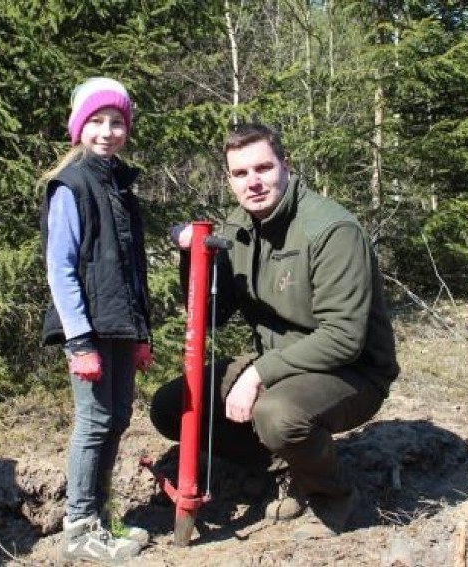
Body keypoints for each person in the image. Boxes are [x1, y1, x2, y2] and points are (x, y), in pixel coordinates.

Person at [150, 123, 400, 540]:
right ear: (229, 180)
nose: (254, 182)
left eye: (263, 168)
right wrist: (190, 256)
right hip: (280, 363)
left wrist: (257, 375)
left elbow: (344, 337)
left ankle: (331, 496)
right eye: (241, 173)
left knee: (278, 416)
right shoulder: (236, 228)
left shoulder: (330, 230)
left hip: (352, 371)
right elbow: (212, 314)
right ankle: (285, 465)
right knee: (173, 406)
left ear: (286, 165)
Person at [40, 77, 153, 562]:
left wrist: (141, 334)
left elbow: (132, 270)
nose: (107, 131)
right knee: (93, 422)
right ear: (78, 127)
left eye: (116, 122)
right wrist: (78, 340)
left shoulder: (121, 188)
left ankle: (101, 521)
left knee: (119, 417)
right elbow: (60, 267)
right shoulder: (72, 185)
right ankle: (80, 529)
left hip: (121, 326)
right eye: (97, 121)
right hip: (88, 328)